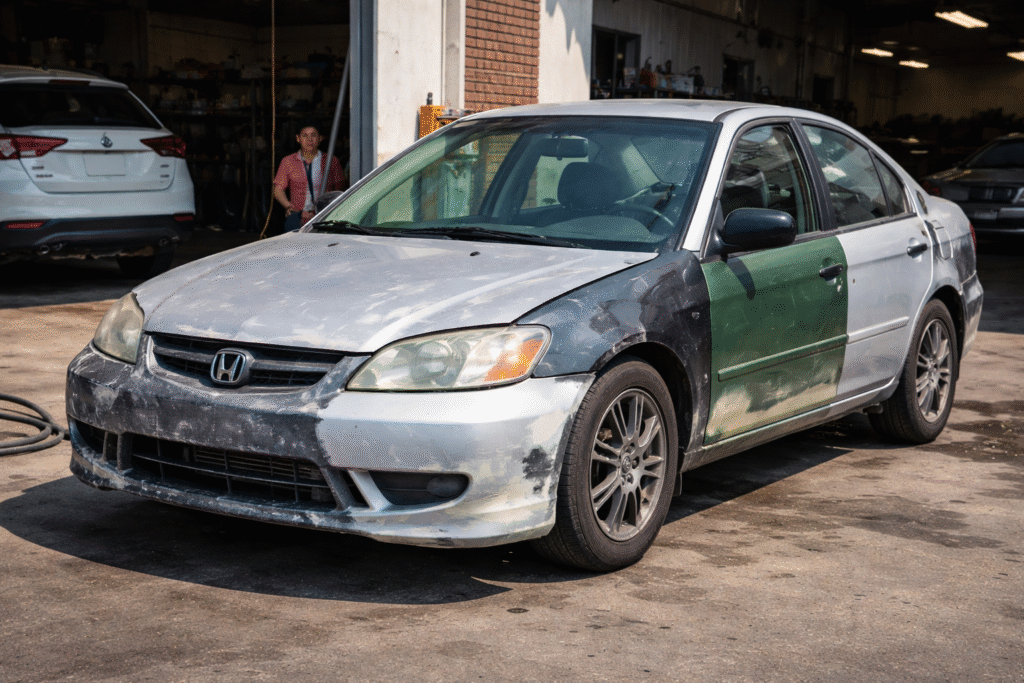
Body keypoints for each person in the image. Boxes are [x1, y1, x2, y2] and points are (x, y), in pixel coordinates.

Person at [273, 121, 346, 231]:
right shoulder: (288, 161)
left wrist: (329, 209)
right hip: (297, 215)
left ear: (320, 138)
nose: (309, 139)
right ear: (298, 138)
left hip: (324, 215)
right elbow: (278, 189)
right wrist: (288, 206)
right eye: (305, 135)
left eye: (313, 135)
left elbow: (340, 189)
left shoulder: (331, 161)